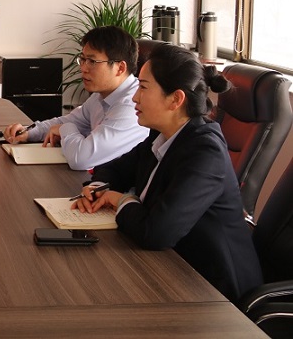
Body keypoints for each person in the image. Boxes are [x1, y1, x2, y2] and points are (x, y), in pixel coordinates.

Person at [74, 43, 262, 301]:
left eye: (143, 87)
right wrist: (97, 188)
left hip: (217, 293)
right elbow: (113, 168)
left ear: (176, 99)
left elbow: (156, 233)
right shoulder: (162, 135)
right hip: (173, 269)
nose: (134, 98)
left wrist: (121, 199)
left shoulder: (205, 153)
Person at [4, 26, 148, 170]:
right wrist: (28, 132)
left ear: (120, 68)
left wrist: (65, 129)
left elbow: (81, 159)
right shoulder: (101, 95)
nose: (83, 68)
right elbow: (69, 121)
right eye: (83, 59)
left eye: (92, 61)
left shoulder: (132, 106)